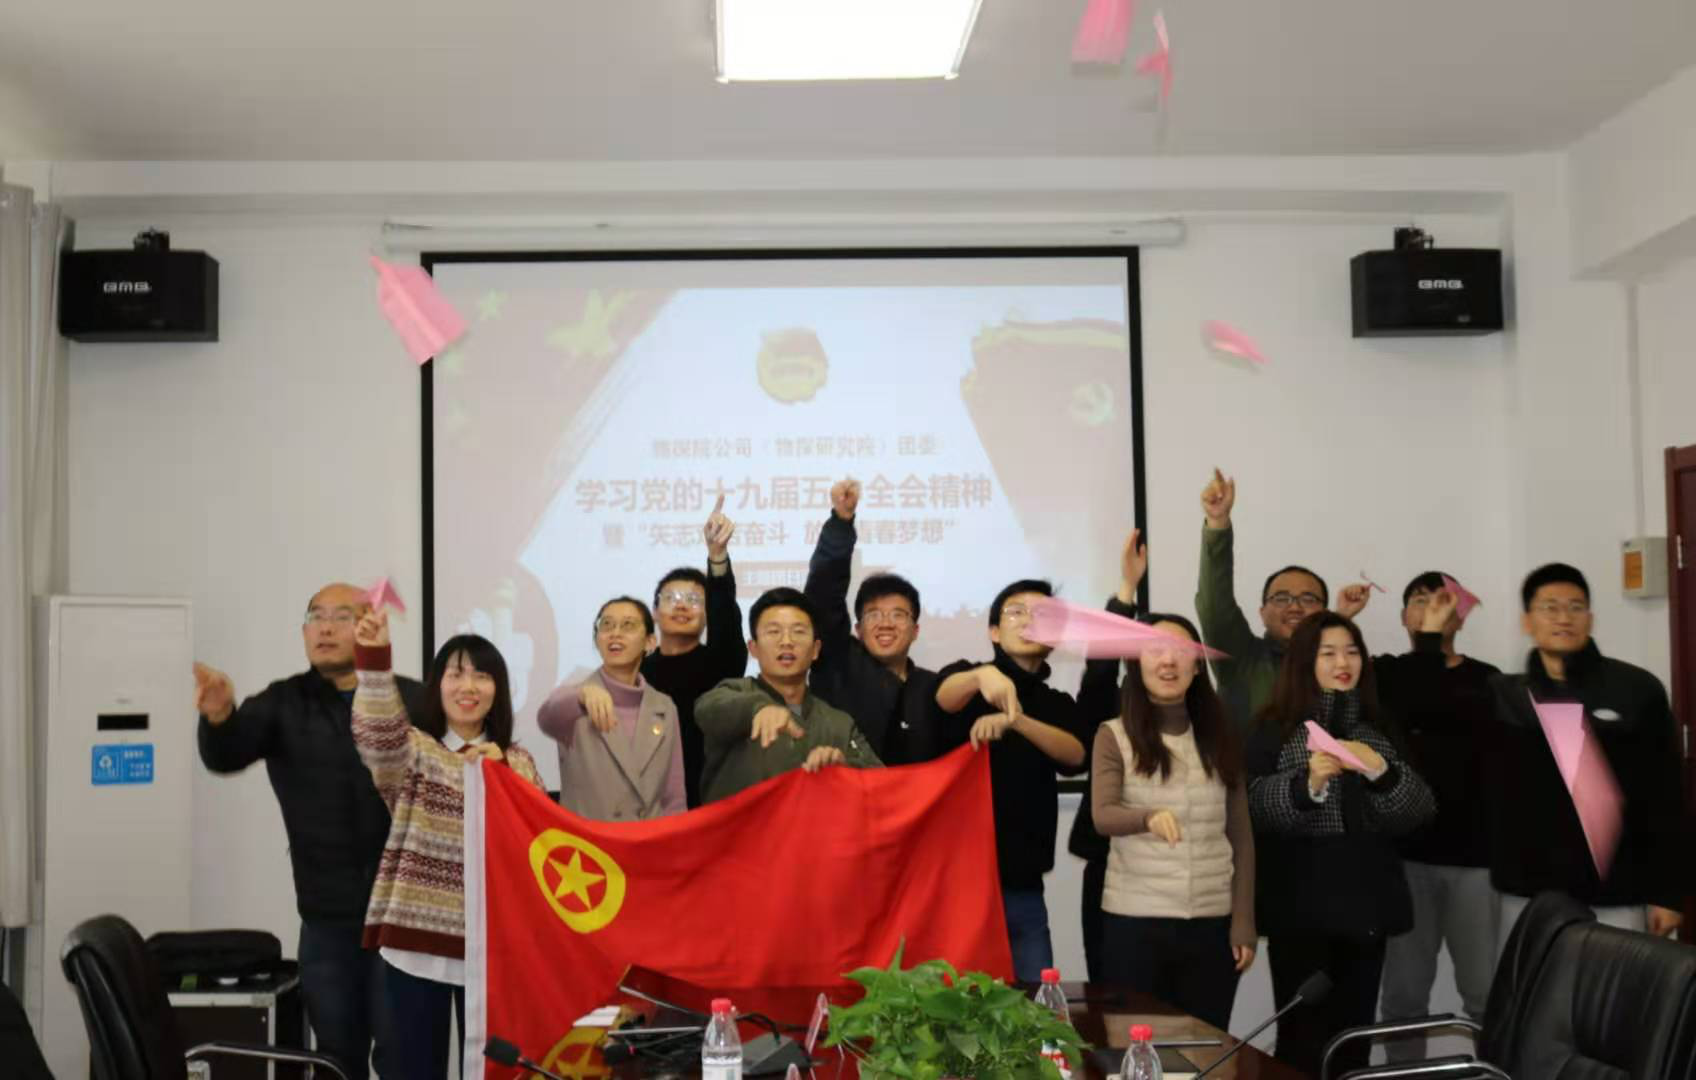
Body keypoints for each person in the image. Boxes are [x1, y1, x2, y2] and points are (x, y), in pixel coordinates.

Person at [194, 582, 424, 1080]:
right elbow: (226, 754)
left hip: (403, 919)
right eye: (315, 616)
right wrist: (219, 716)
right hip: (326, 921)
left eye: (341, 616)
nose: (325, 627)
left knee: (404, 1059)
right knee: (334, 1060)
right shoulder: (283, 703)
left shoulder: (412, 700)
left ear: (369, 625)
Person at [350, 610, 544, 1080]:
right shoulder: (416, 751)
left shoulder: (518, 763)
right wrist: (374, 660)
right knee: (413, 1070)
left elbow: (537, 846)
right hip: (418, 942)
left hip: (495, 948)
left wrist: (501, 774)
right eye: (455, 674)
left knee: (498, 1071)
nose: (468, 686)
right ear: (437, 686)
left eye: (482, 675)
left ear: (499, 690)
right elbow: (377, 735)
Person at [1245, 612, 1434, 1076]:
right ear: (1303, 662)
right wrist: (1305, 784)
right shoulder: (1273, 726)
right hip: (1298, 911)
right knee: (1300, 1041)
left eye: (1352, 652)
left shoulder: (1378, 726)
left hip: (1365, 910)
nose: (1342, 663)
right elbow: (1252, 808)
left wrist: (1380, 772)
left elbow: (1419, 811)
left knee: (1355, 1040)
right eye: (1327, 653)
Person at [1487, 563, 1686, 943]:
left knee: (1618, 983)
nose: (1564, 618)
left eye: (1575, 607)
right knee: (1533, 984)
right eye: (1550, 607)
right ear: (1527, 621)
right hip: (1528, 893)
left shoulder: (1637, 689)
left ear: (1590, 619)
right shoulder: (1504, 697)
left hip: (1617, 893)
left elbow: (1665, 798)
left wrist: (1668, 894)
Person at [1091, 611, 1256, 1032]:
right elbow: (1103, 815)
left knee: (1205, 1046)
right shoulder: (1114, 734)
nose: (1168, 661)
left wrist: (1243, 922)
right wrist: (1147, 817)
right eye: (1154, 650)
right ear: (1136, 663)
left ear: (1197, 665)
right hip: (1136, 921)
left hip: (1212, 922)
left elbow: (1241, 836)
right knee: (1136, 1044)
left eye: (1181, 651)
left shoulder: (1221, 734)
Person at [1371, 577, 1501, 1063]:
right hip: (1405, 858)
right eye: (1419, 602)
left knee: (1485, 994)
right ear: (1404, 617)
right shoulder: (1385, 674)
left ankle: (1493, 1072)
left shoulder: (1489, 679)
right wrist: (1427, 643)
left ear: (1459, 616)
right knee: (1404, 996)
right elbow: (1415, 703)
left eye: (1441, 602)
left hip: (1475, 860)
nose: (1430, 610)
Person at [934, 579, 1091, 983]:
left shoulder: (1056, 703)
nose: (1027, 621)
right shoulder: (969, 679)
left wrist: (1015, 721)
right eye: (1015, 612)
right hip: (963, 882)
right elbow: (942, 697)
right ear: (993, 632)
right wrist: (982, 676)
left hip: (1023, 884)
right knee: (959, 1001)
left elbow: (1076, 755)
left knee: (1038, 1002)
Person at [1195, 469, 1370, 735]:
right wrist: (1217, 523)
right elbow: (1215, 606)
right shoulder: (1242, 659)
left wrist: (1339, 621)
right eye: (1281, 598)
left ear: (1323, 611)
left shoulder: (1338, 665)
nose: (1295, 607)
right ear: (1262, 612)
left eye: (1308, 599)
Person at [803, 477, 944, 763]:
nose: (886, 623)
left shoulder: (934, 688)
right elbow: (823, 593)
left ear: (915, 630)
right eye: (874, 614)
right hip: (845, 789)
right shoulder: (839, 663)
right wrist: (841, 523)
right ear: (858, 629)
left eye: (898, 615)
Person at [695, 587, 882, 802]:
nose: (786, 641)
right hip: (745, 824)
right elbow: (706, 710)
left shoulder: (839, 723)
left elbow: (881, 783)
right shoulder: (732, 693)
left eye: (798, 631)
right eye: (774, 631)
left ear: (815, 650)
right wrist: (758, 709)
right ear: (753, 648)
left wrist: (844, 769)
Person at [1069, 527, 1147, 981]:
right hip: (1110, 864)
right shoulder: (1112, 704)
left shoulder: (1202, 718)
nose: (1163, 661)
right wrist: (1125, 592)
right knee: (1109, 987)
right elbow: (1099, 670)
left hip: (1180, 877)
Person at [641, 494, 747, 807]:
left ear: (707, 613)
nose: (682, 606)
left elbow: (725, 616)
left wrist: (717, 556)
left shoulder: (719, 665)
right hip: (646, 807)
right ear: (655, 611)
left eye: (694, 600)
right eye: (671, 598)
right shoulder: (637, 673)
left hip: (707, 805)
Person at [538, 596, 685, 821]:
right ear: (597, 639)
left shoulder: (664, 707)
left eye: (628, 625)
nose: (615, 633)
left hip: (648, 840)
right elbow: (547, 716)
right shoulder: (575, 700)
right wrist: (581, 695)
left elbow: (673, 797)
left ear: (650, 642)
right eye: (606, 625)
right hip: (589, 841)